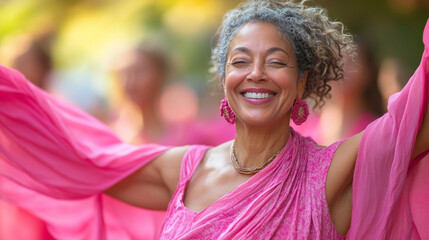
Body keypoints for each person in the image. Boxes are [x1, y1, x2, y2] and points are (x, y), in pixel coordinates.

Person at [0, 1, 428, 239]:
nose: (256, 73)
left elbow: (417, 114)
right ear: (225, 80)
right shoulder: (183, 168)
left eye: (276, 62)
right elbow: (77, 161)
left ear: (302, 84)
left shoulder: (333, 172)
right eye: (240, 61)